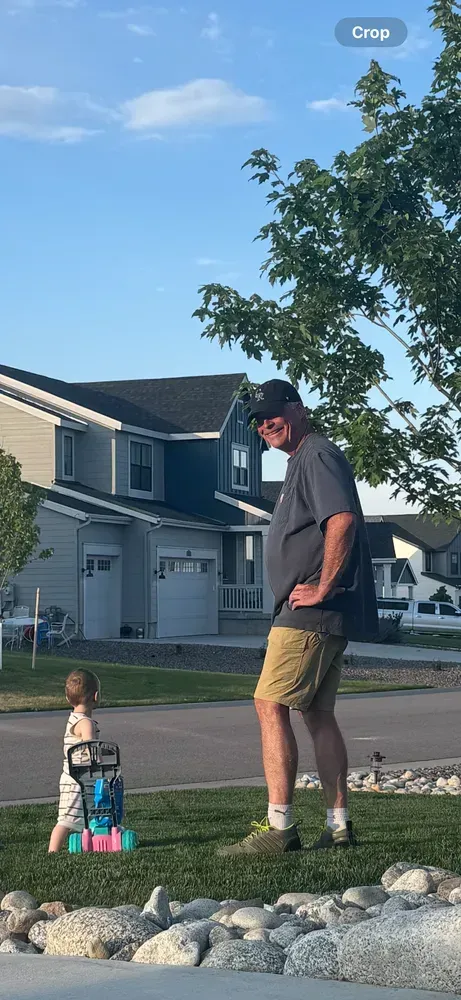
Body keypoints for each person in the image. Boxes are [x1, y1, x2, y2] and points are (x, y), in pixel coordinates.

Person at [220, 379, 378, 856]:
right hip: (321, 613)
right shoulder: (300, 461)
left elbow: (342, 519)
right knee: (318, 713)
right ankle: (339, 825)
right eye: (256, 420)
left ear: (298, 409)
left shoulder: (316, 455)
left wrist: (325, 585)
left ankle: (280, 828)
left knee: (269, 703)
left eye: (271, 413)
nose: (264, 424)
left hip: (311, 612)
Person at [48, 669, 100, 853]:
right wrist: (97, 759)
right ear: (96, 696)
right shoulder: (86, 723)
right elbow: (89, 745)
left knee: (75, 816)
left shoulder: (73, 718)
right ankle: (52, 851)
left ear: (68, 698)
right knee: (66, 820)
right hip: (79, 780)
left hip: (71, 777)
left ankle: (86, 843)